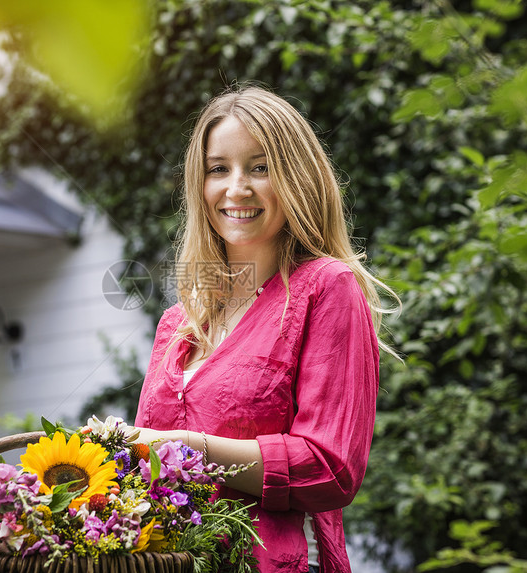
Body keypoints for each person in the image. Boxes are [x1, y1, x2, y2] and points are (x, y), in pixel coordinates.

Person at [132, 86, 396, 573]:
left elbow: (331, 469)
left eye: (260, 167)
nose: (236, 188)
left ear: (296, 177)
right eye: (218, 169)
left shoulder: (326, 287)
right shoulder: (179, 322)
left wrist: (185, 450)